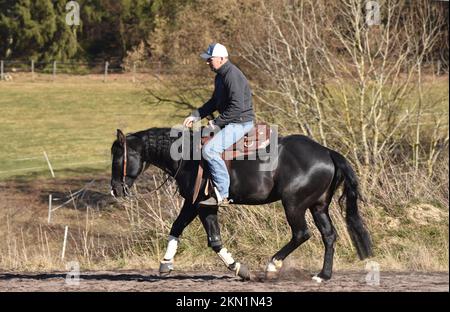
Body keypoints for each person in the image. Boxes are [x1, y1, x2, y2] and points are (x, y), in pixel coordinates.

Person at [183, 43, 255, 207]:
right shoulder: (220, 76)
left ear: (222, 59)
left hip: (240, 123)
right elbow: (215, 102)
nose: (207, 62)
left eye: (210, 59)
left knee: (209, 150)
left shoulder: (232, 75)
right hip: (231, 122)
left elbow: (237, 107)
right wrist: (196, 115)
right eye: (207, 59)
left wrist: (216, 123)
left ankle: (222, 194)